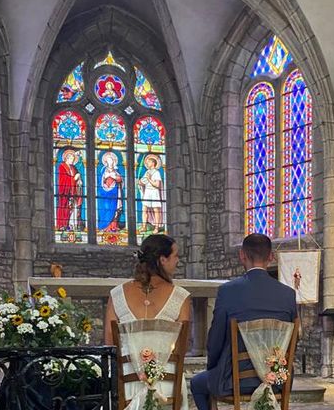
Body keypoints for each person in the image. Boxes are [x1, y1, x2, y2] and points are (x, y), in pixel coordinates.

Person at [190, 233, 298, 410]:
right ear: (271, 257)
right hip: (277, 380)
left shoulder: (228, 291)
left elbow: (215, 339)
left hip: (234, 378)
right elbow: (293, 340)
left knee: (197, 384)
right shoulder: (288, 294)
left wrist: (213, 368)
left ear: (242, 255)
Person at [105, 234, 191, 409]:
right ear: (162, 260)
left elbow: (110, 344)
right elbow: (184, 347)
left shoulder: (117, 295)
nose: (178, 261)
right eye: (175, 256)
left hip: (128, 384)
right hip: (168, 384)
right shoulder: (181, 297)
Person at [56, 149, 83, 231]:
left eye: (74, 159)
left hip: (73, 193)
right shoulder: (62, 166)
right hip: (65, 193)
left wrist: (79, 180)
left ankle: (72, 225)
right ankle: (63, 225)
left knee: (73, 209)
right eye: (71, 159)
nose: (73, 160)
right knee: (65, 208)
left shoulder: (74, 168)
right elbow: (63, 179)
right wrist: (74, 178)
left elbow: (77, 178)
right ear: (67, 158)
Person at [97, 151, 124, 232]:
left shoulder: (116, 171)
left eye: (112, 160)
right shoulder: (103, 171)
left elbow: (120, 180)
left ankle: (113, 226)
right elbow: (100, 182)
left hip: (114, 193)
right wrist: (106, 178)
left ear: (114, 162)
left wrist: (115, 177)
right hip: (105, 194)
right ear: (106, 162)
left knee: (114, 209)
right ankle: (105, 227)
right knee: (106, 208)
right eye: (109, 160)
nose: (110, 162)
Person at [138, 154, 164, 233]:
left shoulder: (156, 173)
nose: (147, 163)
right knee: (144, 209)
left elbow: (157, 185)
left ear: (153, 163)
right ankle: (144, 226)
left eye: (149, 162)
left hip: (154, 192)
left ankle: (156, 228)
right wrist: (140, 182)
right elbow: (143, 181)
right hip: (147, 192)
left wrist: (149, 179)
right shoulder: (147, 172)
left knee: (156, 210)